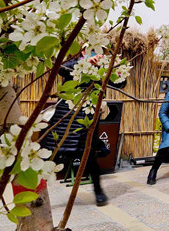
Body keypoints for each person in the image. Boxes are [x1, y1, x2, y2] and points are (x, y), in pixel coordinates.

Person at [39, 53, 115, 206]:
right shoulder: (73, 64)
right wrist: (85, 63)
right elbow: (61, 69)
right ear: (83, 52)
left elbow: (120, 82)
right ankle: (36, 192)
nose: (94, 53)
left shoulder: (105, 69)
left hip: (87, 116)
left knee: (89, 155)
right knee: (51, 153)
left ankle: (98, 191)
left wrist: (108, 67)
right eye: (89, 50)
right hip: (65, 113)